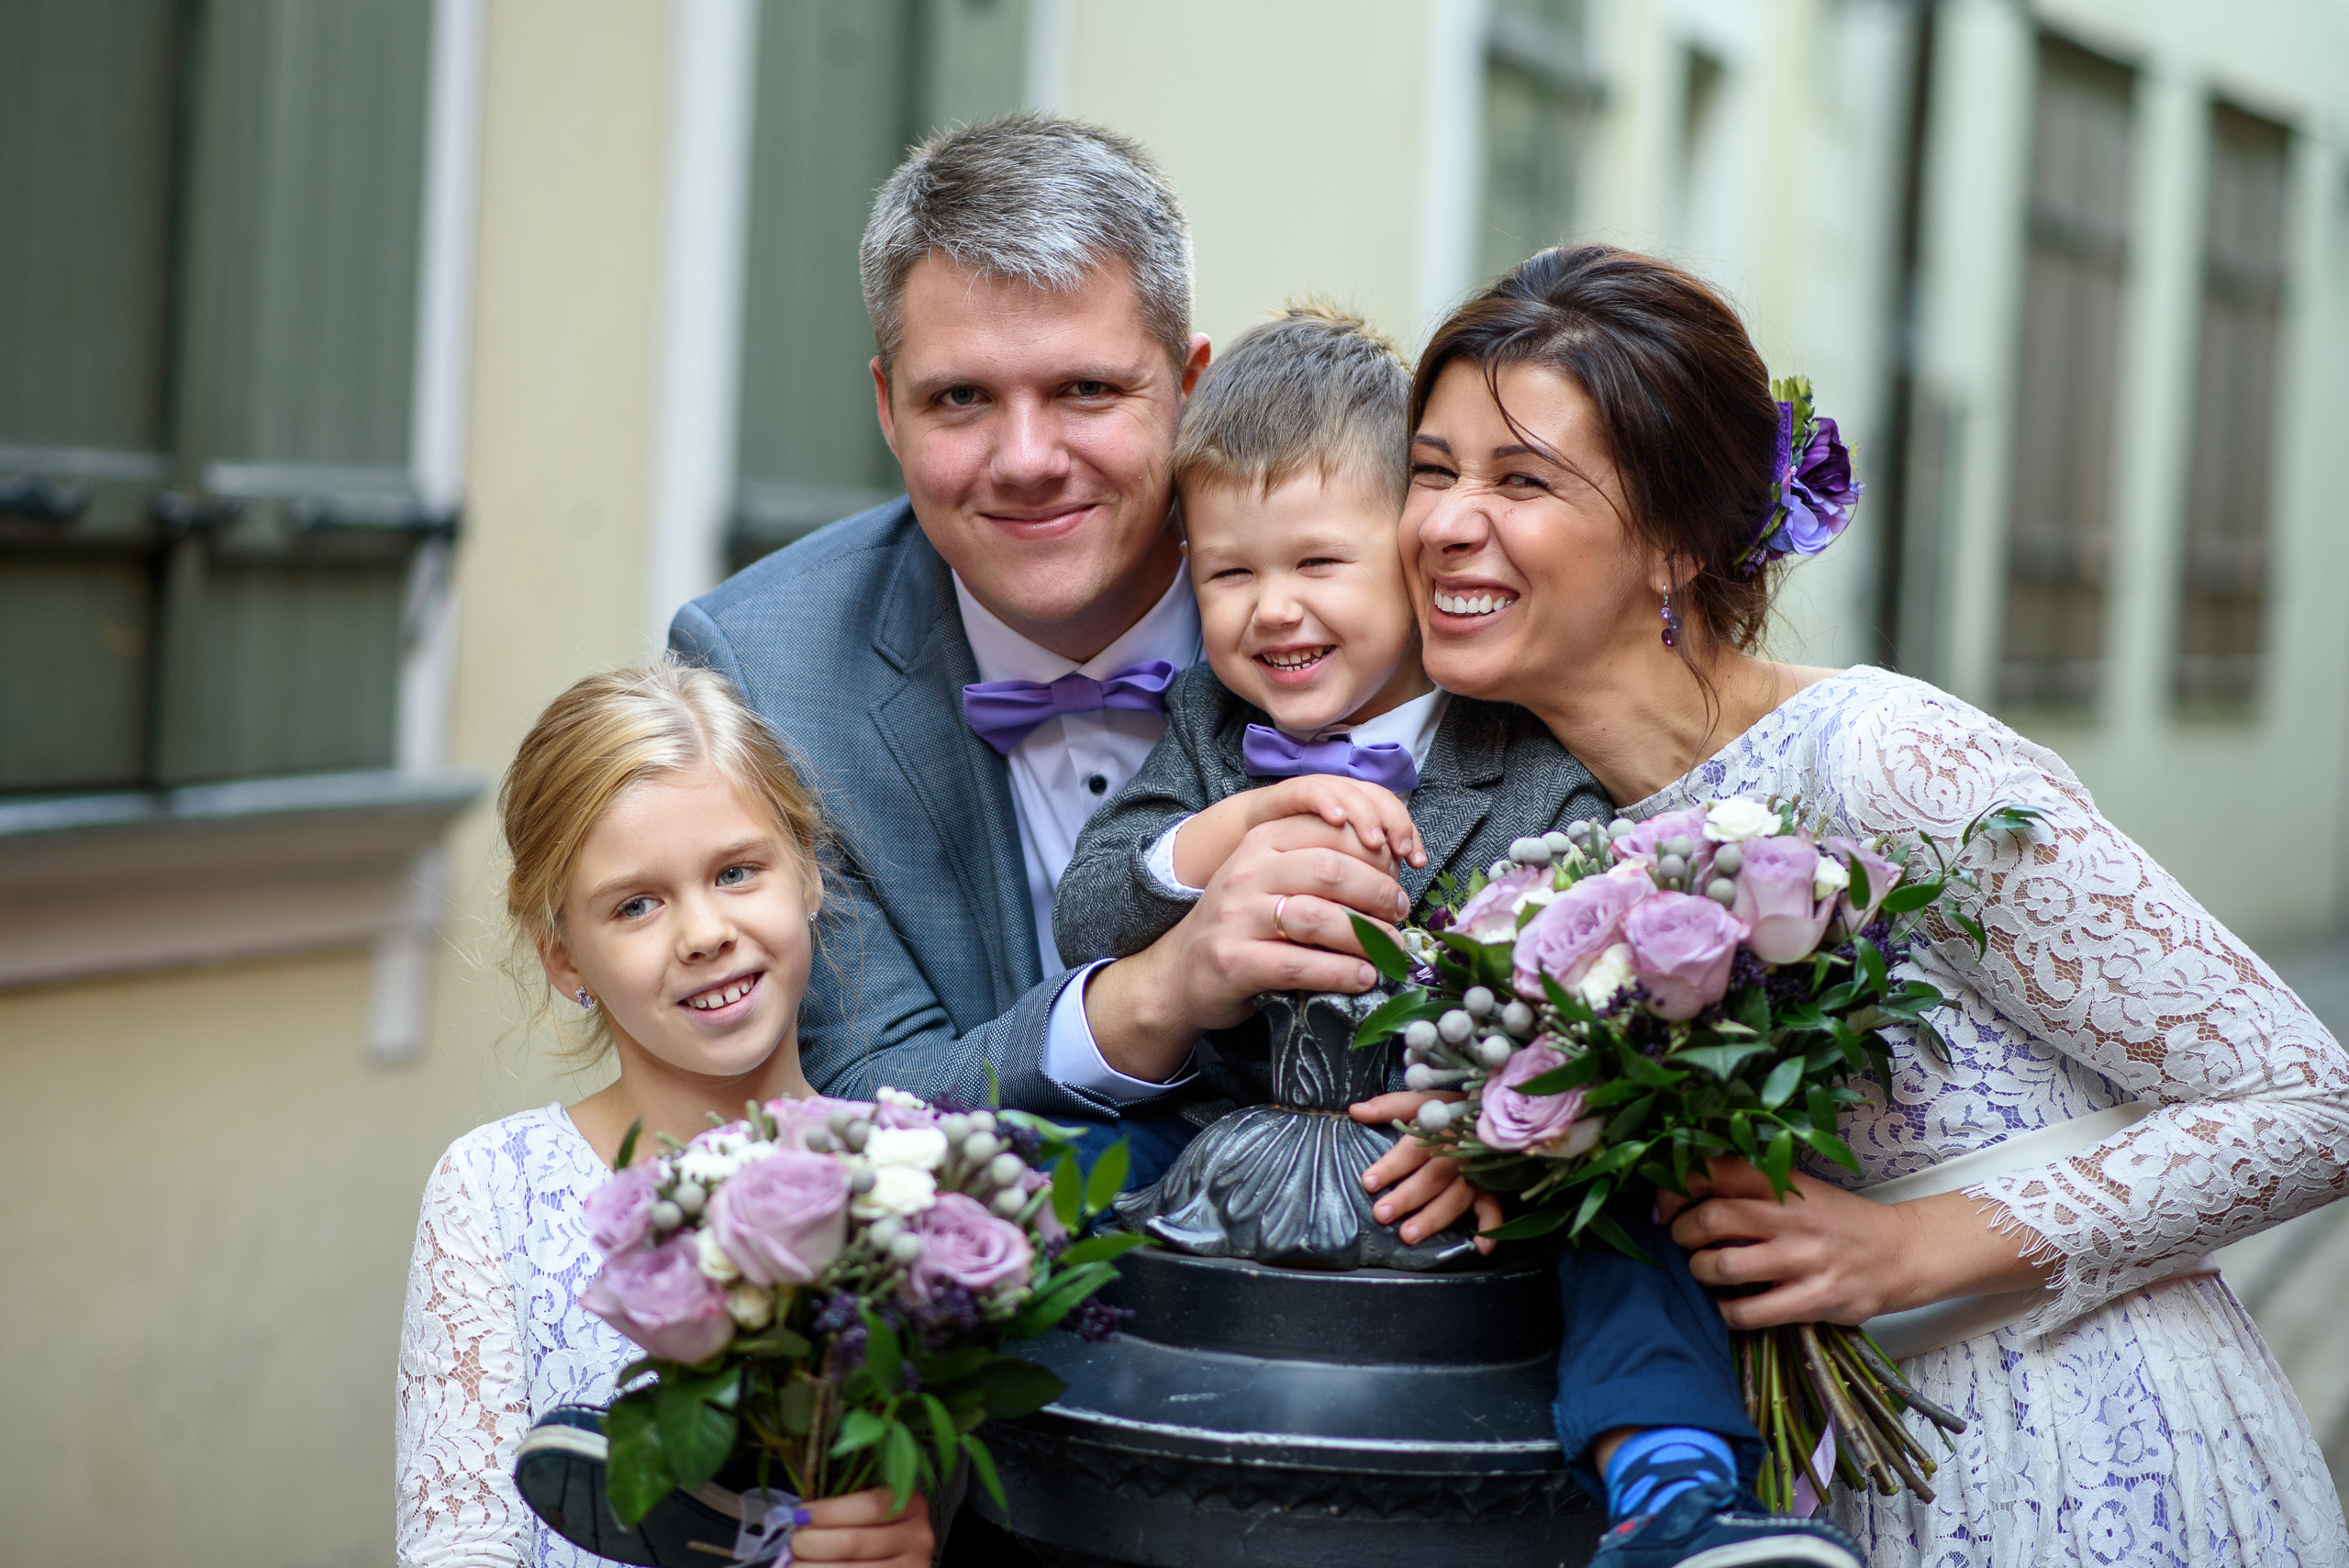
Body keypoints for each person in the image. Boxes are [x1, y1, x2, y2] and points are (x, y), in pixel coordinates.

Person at [1398, 242, 2349, 1566]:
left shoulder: (1883, 756)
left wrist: (1910, 1247)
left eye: (1519, 479)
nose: (1444, 520)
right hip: (1814, 1489)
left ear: (1675, 542)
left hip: (2076, 1455)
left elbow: (2309, 1102)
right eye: (1432, 471)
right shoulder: (1545, 846)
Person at [1053, 301, 1864, 1567]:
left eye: (1318, 565)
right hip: (1227, 1122)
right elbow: (1091, 906)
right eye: (1229, 573)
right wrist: (1218, 837)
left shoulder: (1522, 753)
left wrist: (1495, 1126)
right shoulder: (1213, 728)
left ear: (1409, 554)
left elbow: (1596, 974)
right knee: (1028, 1147)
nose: (1273, 612)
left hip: (1475, 1159)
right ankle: (904, 1373)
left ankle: (1673, 1488)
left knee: (1624, 1227)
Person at [666, 113, 1417, 1177]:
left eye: (1086, 390)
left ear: (1189, 387)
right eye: (961, 397)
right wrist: (1150, 995)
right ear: (888, 406)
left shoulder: (1378, 603)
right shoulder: (764, 676)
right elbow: (857, 1086)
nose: (1025, 459)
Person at [395, 663, 933, 1568]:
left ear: (805, 870)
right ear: (564, 958)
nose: (703, 931)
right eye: (635, 904)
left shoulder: (908, 1165)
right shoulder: (495, 1190)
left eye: (735, 870)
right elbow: (459, 1544)